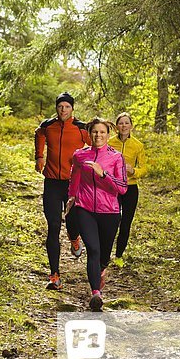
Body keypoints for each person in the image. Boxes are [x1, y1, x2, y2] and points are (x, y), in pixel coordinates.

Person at [66, 118, 127, 311]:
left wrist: (103, 175)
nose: (98, 135)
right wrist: (72, 196)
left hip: (109, 211)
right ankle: (95, 294)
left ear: (108, 135)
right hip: (85, 209)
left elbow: (123, 188)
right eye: (94, 132)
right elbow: (75, 175)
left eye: (102, 132)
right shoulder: (80, 155)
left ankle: (101, 269)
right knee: (93, 249)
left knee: (103, 256)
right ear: (89, 134)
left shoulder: (116, 157)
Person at [34, 92, 90, 290]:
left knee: (72, 223)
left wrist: (91, 167)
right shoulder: (48, 125)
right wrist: (39, 156)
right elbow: (38, 134)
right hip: (52, 183)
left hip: (73, 184)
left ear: (72, 108)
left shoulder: (81, 129)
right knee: (53, 226)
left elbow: (96, 147)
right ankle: (54, 275)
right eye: (60, 106)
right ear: (56, 108)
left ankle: (75, 239)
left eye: (67, 106)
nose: (63, 110)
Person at [108, 112, 147, 260]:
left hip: (130, 188)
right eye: (120, 123)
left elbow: (144, 168)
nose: (123, 126)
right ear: (117, 126)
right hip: (113, 187)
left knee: (125, 224)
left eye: (126, 123)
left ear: (131, 126)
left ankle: (118, 256)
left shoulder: (138, 145)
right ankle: (105, 254)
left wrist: (134, 171)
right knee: (112, 221)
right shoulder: (110, 143)